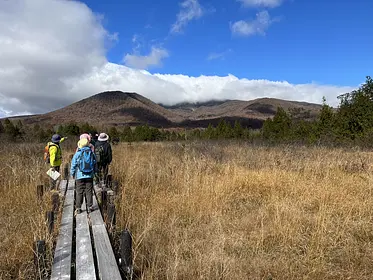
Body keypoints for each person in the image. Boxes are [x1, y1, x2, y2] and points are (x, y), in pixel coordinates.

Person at [70, 138, 96, 215]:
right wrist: (94, 172)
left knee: (79, 191)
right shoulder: (91, 153)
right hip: (90, 175)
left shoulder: (78, 153)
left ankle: (78, 208)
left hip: (79, 176)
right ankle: (90, 206)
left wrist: (72, 173)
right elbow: (95, 164)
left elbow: (73, 164)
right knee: (89, 191)